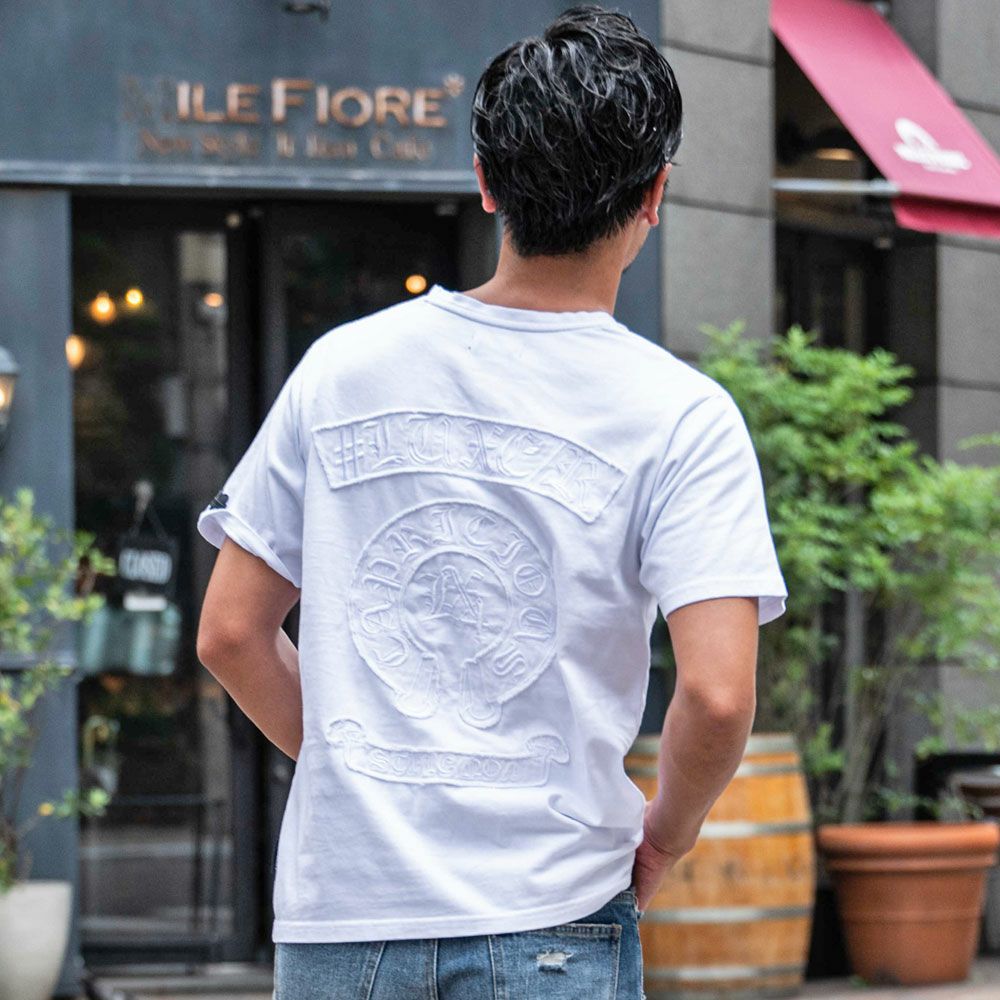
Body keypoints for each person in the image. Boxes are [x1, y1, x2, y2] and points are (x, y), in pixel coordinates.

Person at [196, 5, 787, 998]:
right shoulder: (683, 416)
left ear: (484, 180)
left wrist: (360, 770)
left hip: (345, 914)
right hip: (553, 911)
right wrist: (666, 838)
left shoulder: (341, 370)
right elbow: (719, 694)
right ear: (655, 194)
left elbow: (228, 633)